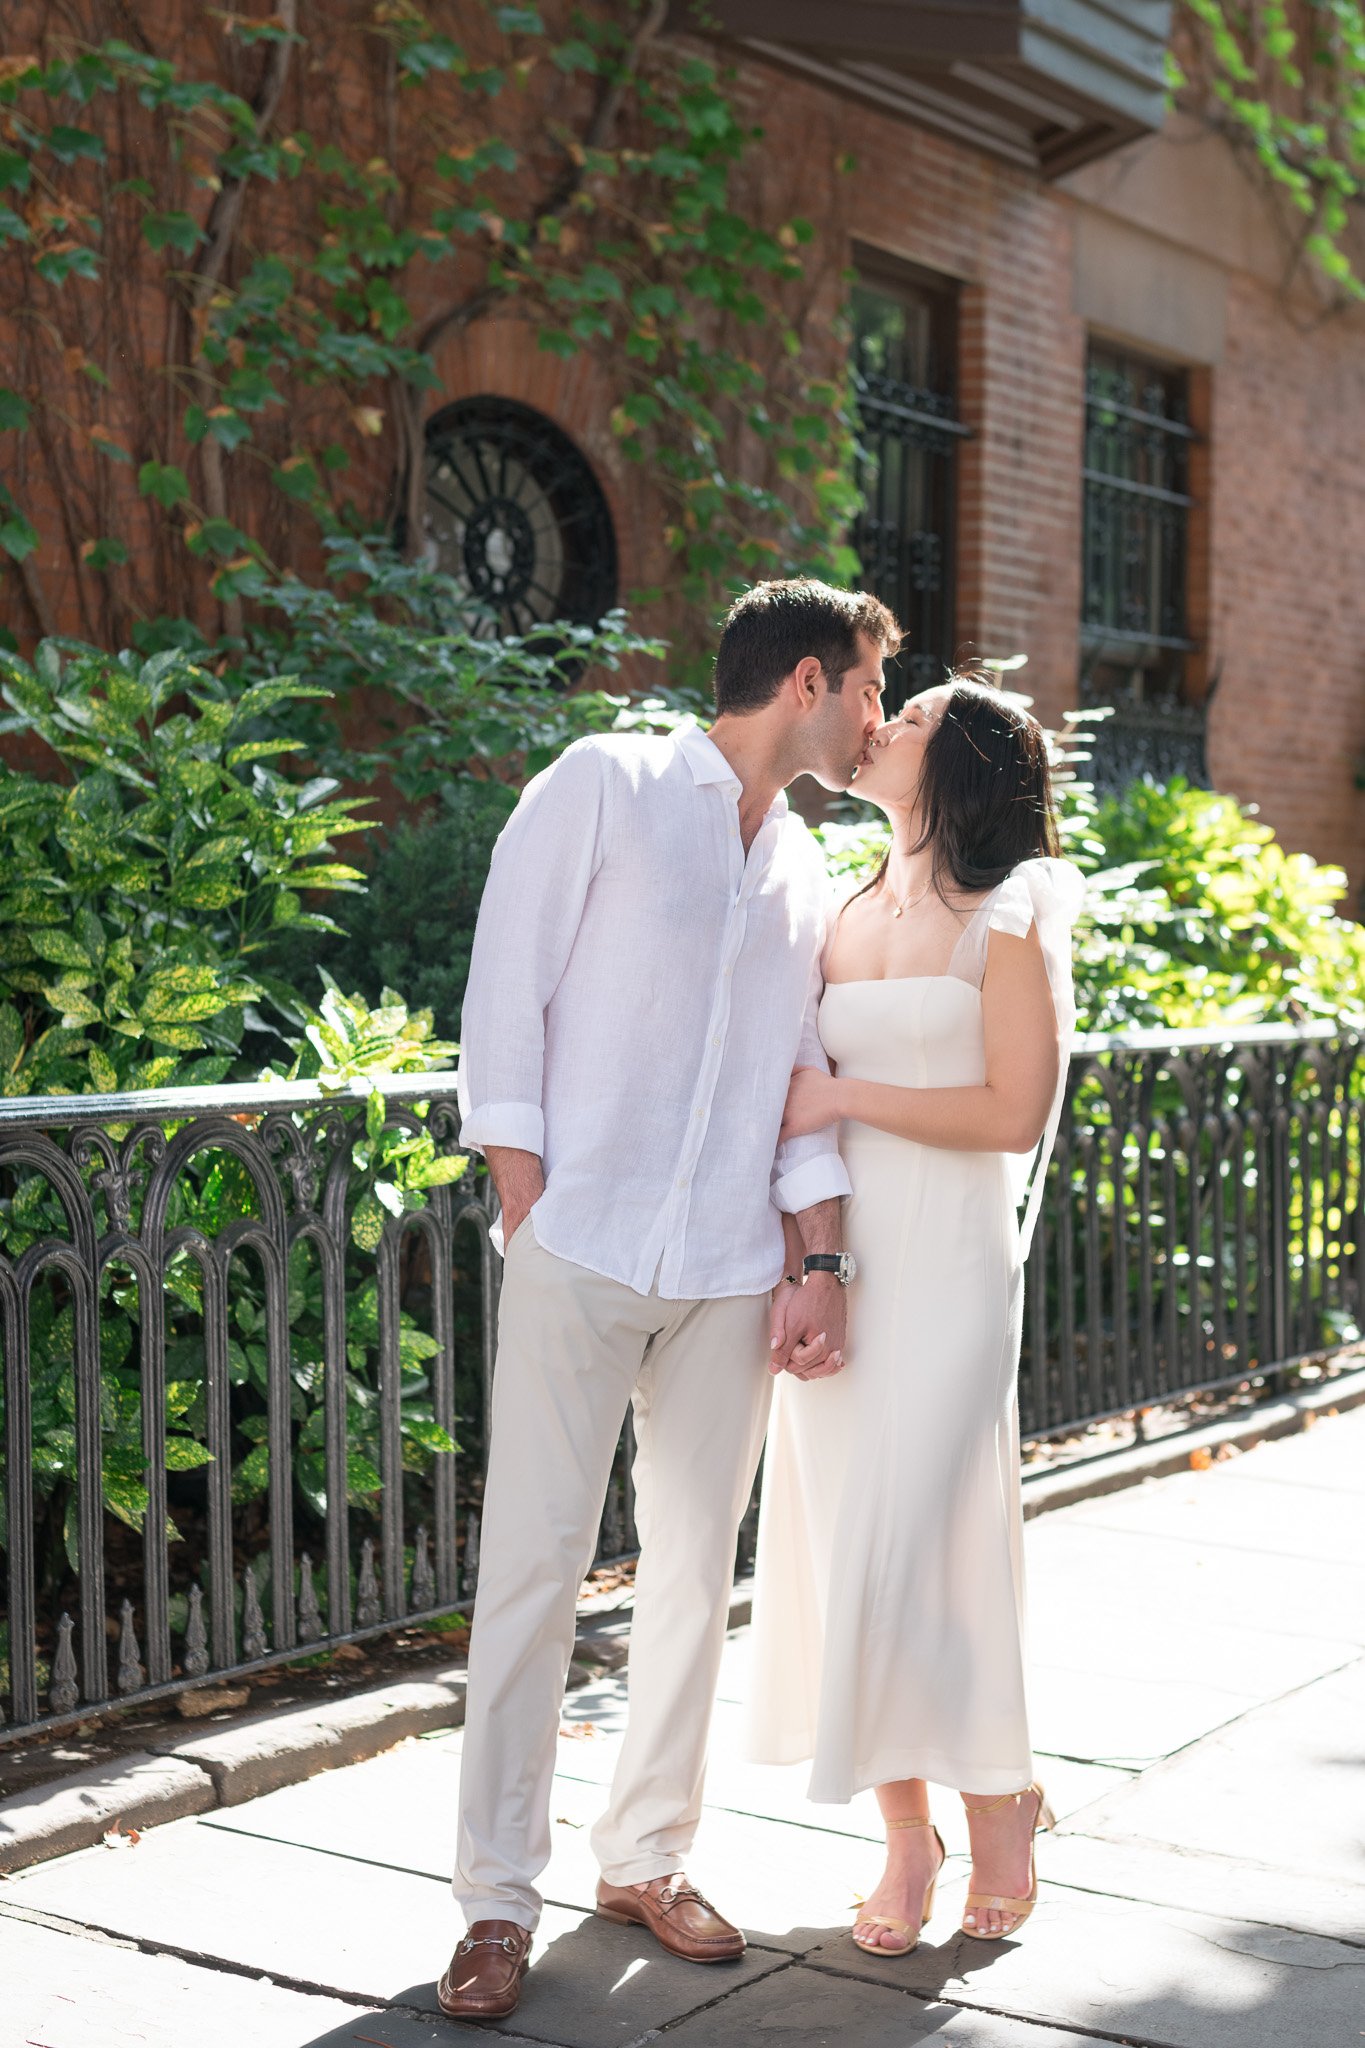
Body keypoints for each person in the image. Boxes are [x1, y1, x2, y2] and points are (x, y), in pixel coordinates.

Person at [438, 578, 898, 2023]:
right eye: (874, 692)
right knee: (532, 1571)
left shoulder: (805, 870)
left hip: (726, 1267)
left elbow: (793, 1089)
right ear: (810, 680)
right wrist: (532, 1201)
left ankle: (644, 1855)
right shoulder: (607, 780)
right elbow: (502, 994)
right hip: (584, 1244)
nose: (878, 724)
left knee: (698, 1578)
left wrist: (814, 1255)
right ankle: (494, 1901)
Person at [746, 673, 1083, 1955]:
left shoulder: (1011, 906)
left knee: (925, 1534)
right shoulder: (836, 906)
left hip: (948, 1260)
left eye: (922, 711)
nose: (887, 720)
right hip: (844, 1260)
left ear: (968, 763)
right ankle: (903, 1830)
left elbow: (1014, 1111)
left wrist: (844, 1102)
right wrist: (797, 1256)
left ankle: (1000, 1801)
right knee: (841, 1532)